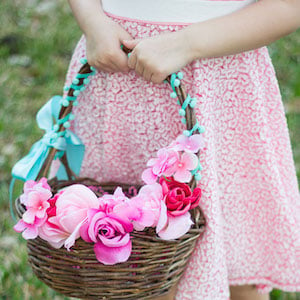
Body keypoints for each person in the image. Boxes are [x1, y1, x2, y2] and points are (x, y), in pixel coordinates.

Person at [65, 0, 300, 299]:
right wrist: (93, 21)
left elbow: (288, 6)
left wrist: (186, 44)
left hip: (218, 82)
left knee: (235, 259)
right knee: (130, 262)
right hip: (116, 72)